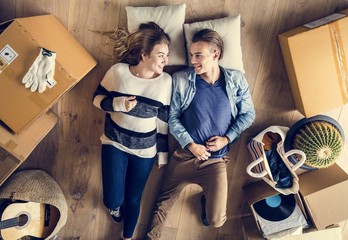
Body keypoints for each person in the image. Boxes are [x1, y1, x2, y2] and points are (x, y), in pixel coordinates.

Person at [146, 29, 255, 239]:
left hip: (215, 162)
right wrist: (190, 144)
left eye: (198, 55)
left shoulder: (236, 81)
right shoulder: (181, 79)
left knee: (216, 221)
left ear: (216, 55)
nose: (193, 60)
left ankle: (207, 198)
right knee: (161, 206)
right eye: (191, 55)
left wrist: (227, 138)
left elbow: (249, 114)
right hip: (184, 157)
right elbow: (173, 117)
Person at [92, 22, 171, 240]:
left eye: (167, 55)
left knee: (134, 199)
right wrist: (117, 104)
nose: (167, 61)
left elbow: (162, 121)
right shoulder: (118, 71)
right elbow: (96, 99)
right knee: (112, 199)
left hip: (145, 152)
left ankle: (127, 237)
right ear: (144, 55)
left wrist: (163, 153)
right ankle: (115, 209)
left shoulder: (166, 82)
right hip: (114, 142)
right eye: (161, 55)